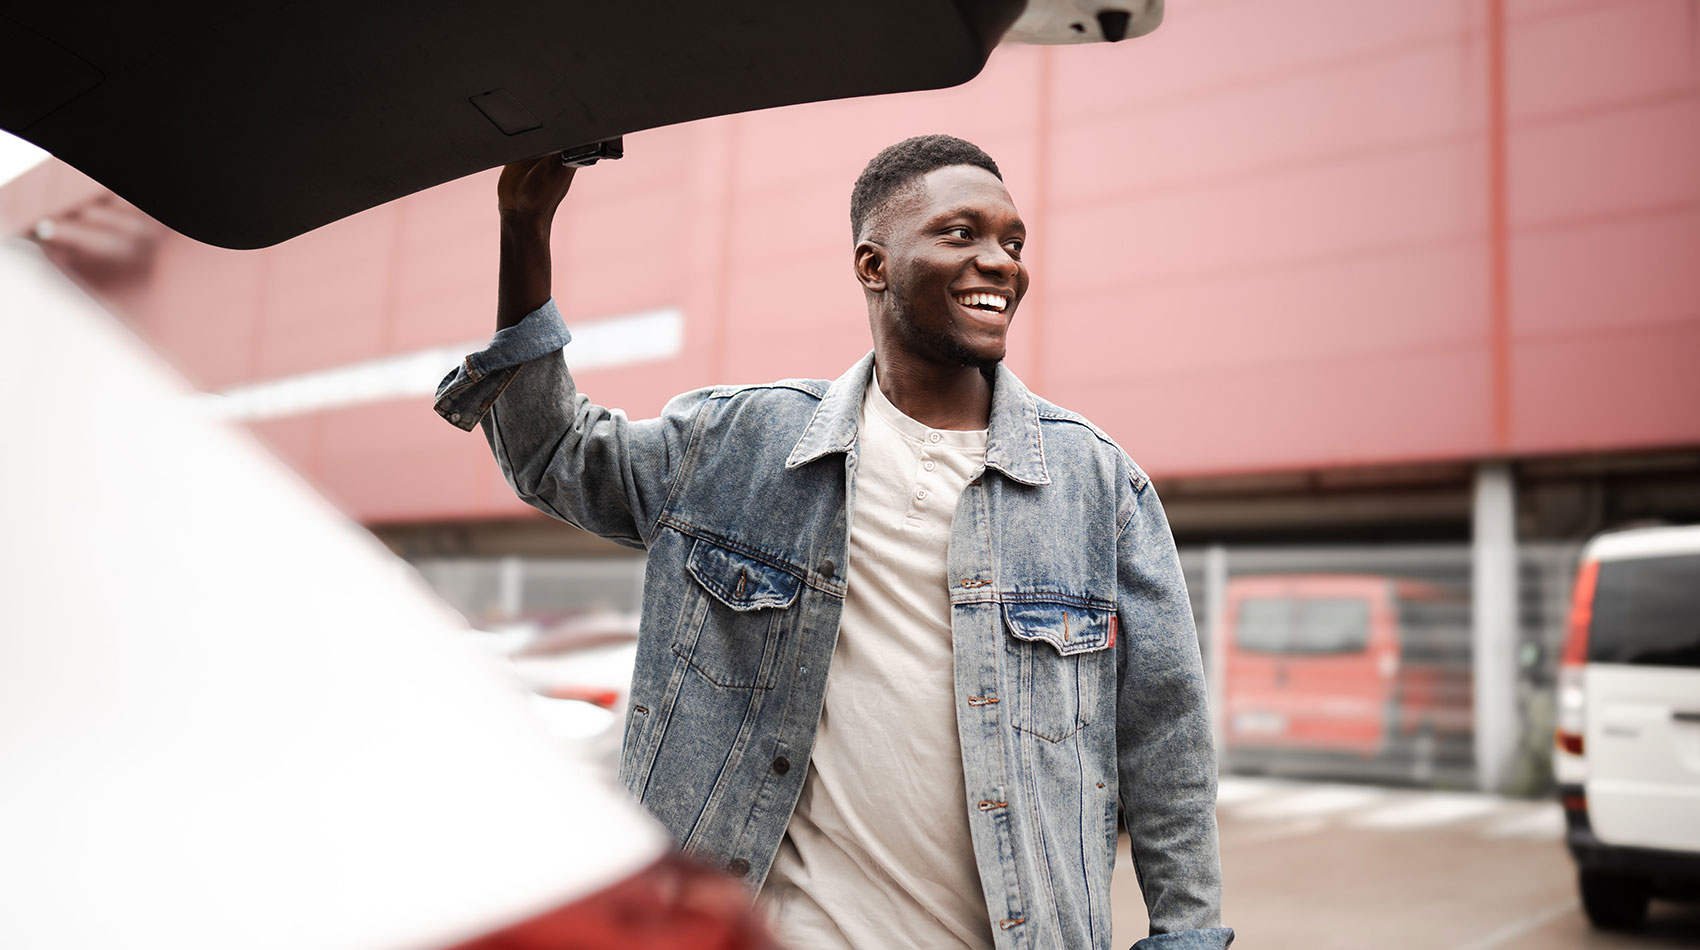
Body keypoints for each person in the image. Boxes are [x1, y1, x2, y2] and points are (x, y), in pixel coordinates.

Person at [435, 134, 1232, 950]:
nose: (1001, 262)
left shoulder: (1097, 487)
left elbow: (1165, 744)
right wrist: (524, 226)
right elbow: (555, 452)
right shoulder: (740, 445)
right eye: (961, 234)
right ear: (873, 265)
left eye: (1013, 242)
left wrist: (1188, 934)